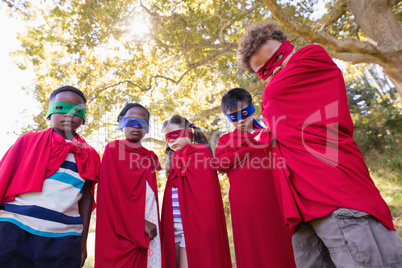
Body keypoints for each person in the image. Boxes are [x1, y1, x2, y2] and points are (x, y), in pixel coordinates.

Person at [236, 21, 402, 267]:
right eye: (264, 71)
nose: (275, 70)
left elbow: (275, 96)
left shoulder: (311, 57)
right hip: (303, 212)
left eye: (277, 57)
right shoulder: (277, 100)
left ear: (288, 47)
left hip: (339, 199)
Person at [0, 85, 101, 267]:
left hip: (63, 237)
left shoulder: (90, 155)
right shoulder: (28, 140)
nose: (68, 115)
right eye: (61, 108)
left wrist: (82, 243)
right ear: (49, 113)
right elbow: (3, 178)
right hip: (15, 227)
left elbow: (87, 198)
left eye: (76, 110)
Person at [214, 87, 296, 268]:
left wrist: (262, 138)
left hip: (275, 195)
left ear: (252, 108)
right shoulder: (226, 140)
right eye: (234, 117)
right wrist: (252, 146)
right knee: (253, 245)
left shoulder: (271, 131)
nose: (241, 120)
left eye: (245, 113)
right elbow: (220, 163)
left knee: (281, 241)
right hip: (245, 202)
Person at [95, 103, 162, 268]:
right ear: (120, 124)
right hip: (123, 226)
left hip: (150, 218)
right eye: (130, 121)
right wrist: (139, 224)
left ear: (147, 128)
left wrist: (149, 221)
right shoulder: (114, 150)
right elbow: (111, 198)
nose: (136, 126)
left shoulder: (150, 157)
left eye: (142, 122)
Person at [161, 115, 232, 268]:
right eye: (167, 138)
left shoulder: (201, 153)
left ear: (188, 132)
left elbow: (204, 194)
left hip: (194, 224)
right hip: (174, 223)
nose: (171, 141)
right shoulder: (174, 158)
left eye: (174, 135)